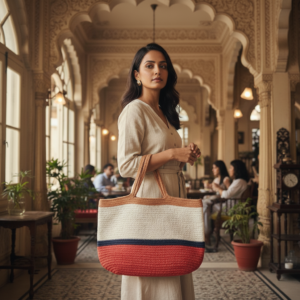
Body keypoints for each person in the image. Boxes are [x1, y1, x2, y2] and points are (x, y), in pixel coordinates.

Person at [118, 43, 201, 300]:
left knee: (174, 261)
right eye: (150, 66)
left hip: (173, 194)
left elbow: (163, 155)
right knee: (152, 263)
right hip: (151, 198)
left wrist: (184, 155)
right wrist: (172, 154)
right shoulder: (134, 110)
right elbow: (127, 165)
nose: (157, 71)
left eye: (163, 66)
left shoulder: (165, 113)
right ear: (137, 74)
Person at [202, 161, 230, 247]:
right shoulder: (216, 179)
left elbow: (229, 194)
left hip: (222, 204)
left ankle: (207, 234)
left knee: (205, 206)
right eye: (213, 167)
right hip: (215, 201)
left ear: (220, 168)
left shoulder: (226, 179)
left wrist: (219, 188)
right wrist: (209, 187)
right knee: (202, 204)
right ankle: (206, 233)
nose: (213, 169)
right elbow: (214, 191)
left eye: (215, 167)